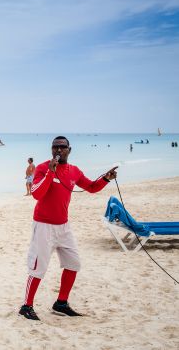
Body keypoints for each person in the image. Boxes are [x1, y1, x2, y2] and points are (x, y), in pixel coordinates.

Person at [19, 136, 118, 321]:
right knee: (38, 268)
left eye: (62, 147)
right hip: (43, 226)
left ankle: (61, 303)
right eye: (55, 147)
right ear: (51, 150)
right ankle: (26, 306)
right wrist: (50, 172)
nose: (58, 150)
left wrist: (106, 178)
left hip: (63, 227)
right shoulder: (42, 168)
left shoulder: (74, 171)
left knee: (74, 264)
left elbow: (91, 187)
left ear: (69, 150)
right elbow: (37, 194)